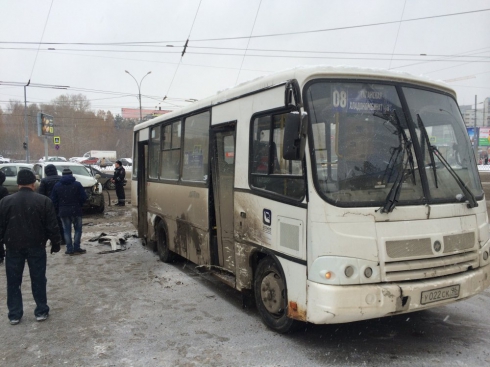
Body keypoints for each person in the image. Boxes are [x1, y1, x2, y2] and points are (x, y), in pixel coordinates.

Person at [0, 169, 61, 325]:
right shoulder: (43, 201)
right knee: (38, 279)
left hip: (13, 247)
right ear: (34, 183)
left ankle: (14, 314)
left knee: (13, 281)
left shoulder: (5, 202)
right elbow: (52, 225)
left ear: (18, 183)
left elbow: (1, 226)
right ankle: (41, 310)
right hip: (36, 246)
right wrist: (55, 243)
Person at [50, 168, 87, 255]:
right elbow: (84, 197)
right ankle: (77, 247)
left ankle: (69, 249)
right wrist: (79, 204)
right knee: (78, 230)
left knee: (66, 230)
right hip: (76, 210)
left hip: (63, 211)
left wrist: (59, 207)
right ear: (71, 175)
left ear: (62, 175)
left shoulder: (57, 185)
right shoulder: (77, 185)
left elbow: (53, 199)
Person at [38, 164, 64, 243]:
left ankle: (53, 239)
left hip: (49, 204)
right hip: (61, 203)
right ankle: (63, 238)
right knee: (61, 222)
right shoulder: (61, 179)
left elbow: (41, 194)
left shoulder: (44, 180)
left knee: (51, 222)